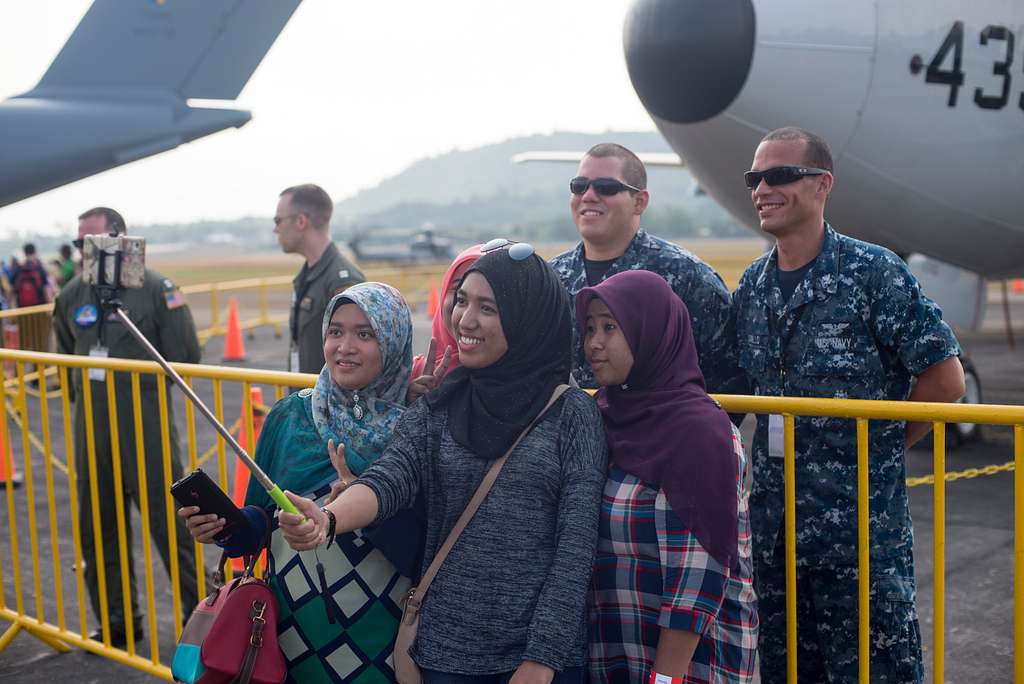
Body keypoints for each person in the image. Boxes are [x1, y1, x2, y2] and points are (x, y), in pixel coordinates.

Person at [279, 244, 608, 683]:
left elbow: (575, 552)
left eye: (488, 307)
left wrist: (543, 659)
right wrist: (327, 519)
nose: (465, 319)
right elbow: (389, 477)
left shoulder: (572, 415)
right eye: (462, 300)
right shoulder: (441, 404)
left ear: (528, 316)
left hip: (535, 663)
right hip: (443, 657)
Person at [732, 127, 966, 683]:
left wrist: (879, 447)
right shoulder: (752, 288)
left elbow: (945, 377)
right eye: (755, 177)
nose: (763, 187)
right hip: (775, 539)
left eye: (780, 175)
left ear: (822, 185)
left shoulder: (872, 273)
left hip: (859, 539)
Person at [182, 283, 420, 682]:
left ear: (394, 342)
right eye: (335, 331)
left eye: (365, 334)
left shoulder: (420, 424)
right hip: (293, 631)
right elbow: (259, 523)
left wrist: (362, 509)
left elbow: (430, 548)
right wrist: (223, 528)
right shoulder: (290, 416)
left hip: (388, 637)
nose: (345, 346)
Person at [578, 270, 757, 683]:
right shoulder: (608, 417)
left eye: (610, 327)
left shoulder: (697, 433)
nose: (594, 343)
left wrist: (666, 678)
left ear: (650, 332)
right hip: (620, 653)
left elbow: (697, 575)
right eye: (589, 329)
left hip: (689, 667)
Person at [53, 206, 202, 647]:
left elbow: (185, 355)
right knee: (98, 529)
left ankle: (198, 621)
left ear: (121, 238)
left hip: (146, 428)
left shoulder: (155, 289)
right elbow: (65, 361)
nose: (87, 251)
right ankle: (117, 621)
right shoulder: (72, 294)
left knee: (171, 527)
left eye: (95, 241)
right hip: (91, 432)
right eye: (81, 243)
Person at [548, 143, 744, 397]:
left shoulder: (688, 277)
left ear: (639, 202)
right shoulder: (550, 279)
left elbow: (727, 382)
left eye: (606, 187)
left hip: (659, 434)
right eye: (579, 186)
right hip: (567, 435)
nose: (588, 195)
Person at [275, 184, 365, 374]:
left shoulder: (342, 281)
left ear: (300, 221)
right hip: (307, 398)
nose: (276, 229)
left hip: (327, 401)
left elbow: (356, 357)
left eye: (278, 220)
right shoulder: (307, 276)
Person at [406, 243, 484, 403]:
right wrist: (409, 404)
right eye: (459, 293)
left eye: (486, 302)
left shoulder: (531, 380)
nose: (468, 318)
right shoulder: (414, 375)